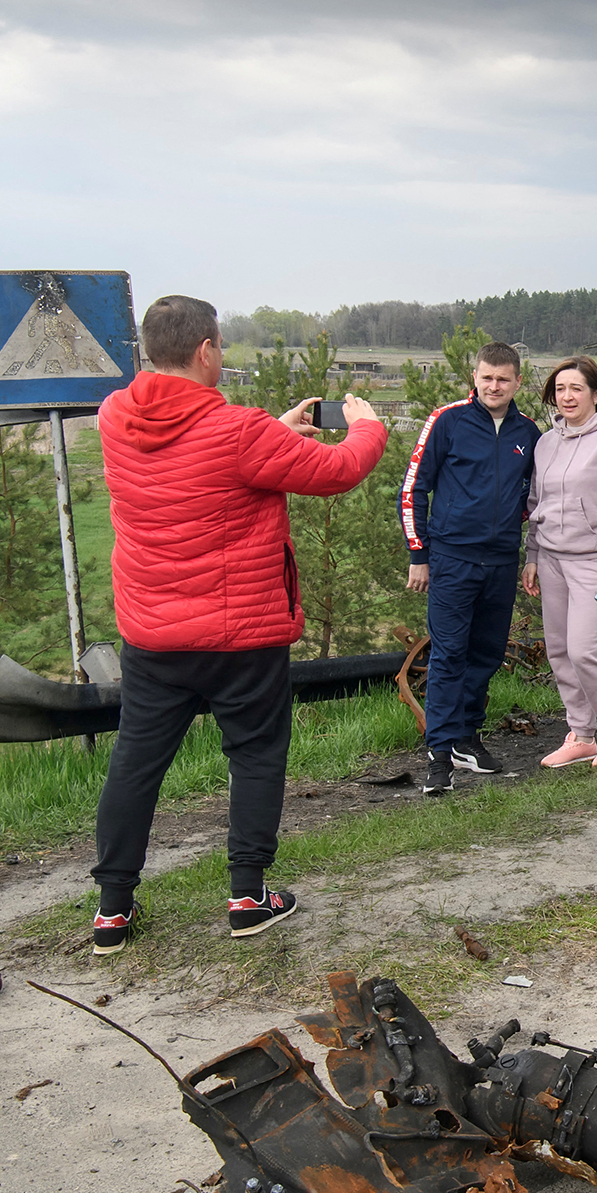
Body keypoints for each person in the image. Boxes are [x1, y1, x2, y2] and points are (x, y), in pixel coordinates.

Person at [90, 295, 386, 955]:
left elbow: (204, 451)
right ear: (206, 350)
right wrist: (366, 426)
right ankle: (248, 897)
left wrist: (275, 431)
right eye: (219, 345)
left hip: (152, 634)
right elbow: (338, 471)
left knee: (136, 764)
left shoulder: (116, 416)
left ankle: (112, 909)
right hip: (238, 637)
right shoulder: (239, 431)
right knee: (253, 757)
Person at [400, 343, 542, 794]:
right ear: (475, 377)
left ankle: (466, 737)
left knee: (485, 654)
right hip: (451, 558)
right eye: (486, 378)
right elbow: (413, 489)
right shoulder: (448, 421)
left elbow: (532, 498)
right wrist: (418, 554)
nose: (494, 386)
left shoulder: (529, 432)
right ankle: (439, 752)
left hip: (501, 560)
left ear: (518, 381)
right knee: (448, 654)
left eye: (503, 379)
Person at [521, 356, 597, 769]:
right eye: (560, 389)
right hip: (552, 561)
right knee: (558, 649)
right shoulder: (546, 443)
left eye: (576, 388)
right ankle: (581, 734)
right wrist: (534, 555)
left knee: (585, 650)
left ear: (596, 393)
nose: (567, 396)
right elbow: (537, 504)